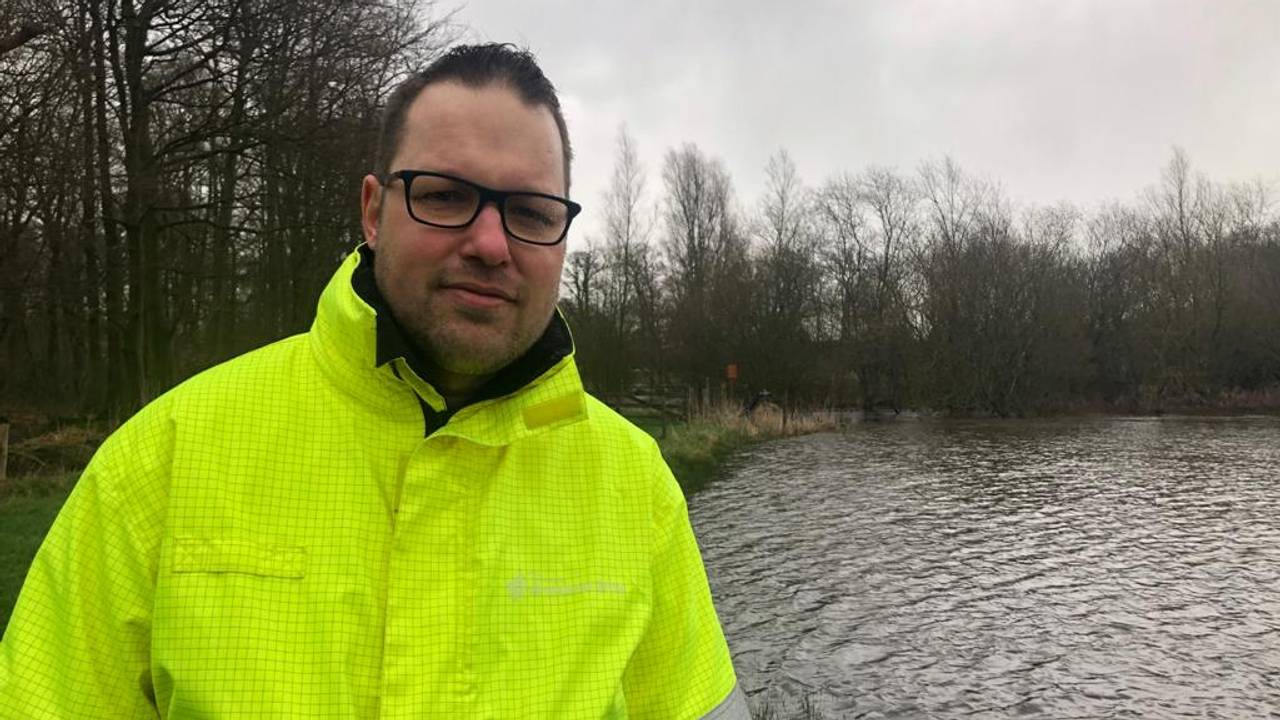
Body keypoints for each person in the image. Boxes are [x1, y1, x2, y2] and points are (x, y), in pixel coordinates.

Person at [0, 43, 748, 719]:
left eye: (529, 211)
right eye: (447, 195)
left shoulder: (634, 487)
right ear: (372, 211)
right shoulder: (160, 460)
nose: (491, 243)